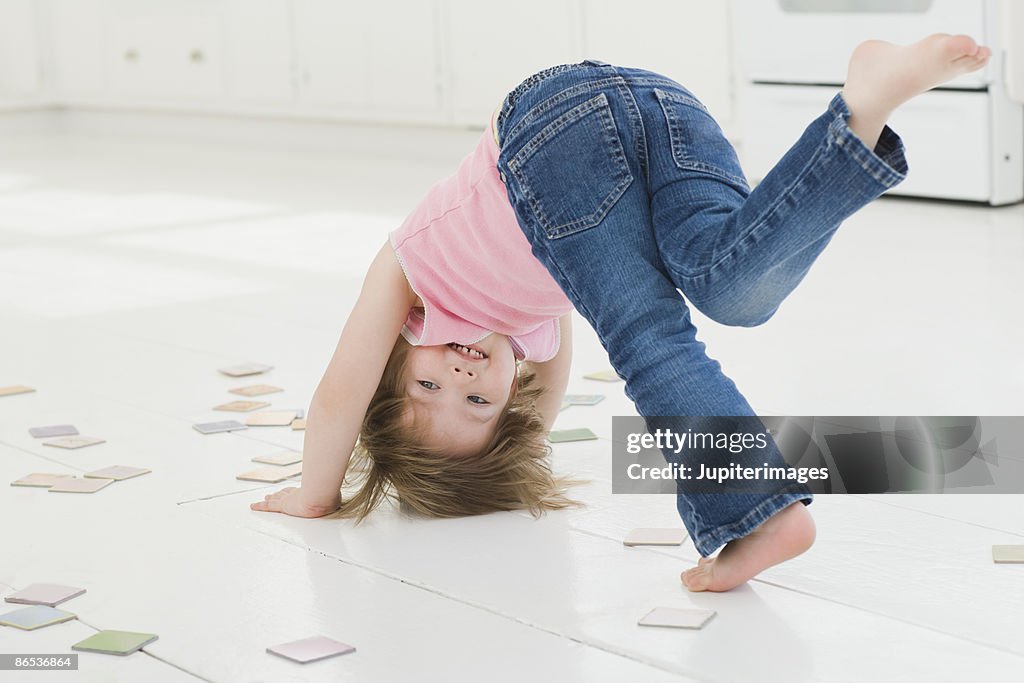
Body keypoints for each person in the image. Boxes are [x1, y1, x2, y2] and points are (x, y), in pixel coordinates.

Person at [251, 34, 991, 592]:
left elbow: (340, 389)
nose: (459, 373)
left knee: (650, 343)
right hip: (663, 112)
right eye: (475, 400)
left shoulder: (411, 277)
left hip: (548, 135)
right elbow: (532, 422)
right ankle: (861, 111)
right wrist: (516, 451)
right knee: (732, 290)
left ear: (396, 365)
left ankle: (757, 511)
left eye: (425, 386)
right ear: (513, 394)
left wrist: (318, 493)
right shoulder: (539, 332)